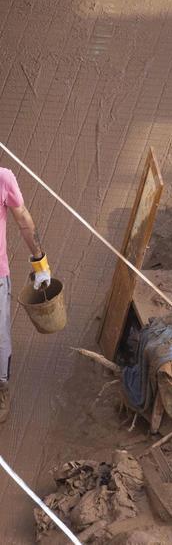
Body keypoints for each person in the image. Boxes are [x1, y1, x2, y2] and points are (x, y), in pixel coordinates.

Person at [0, 166, 52, 424]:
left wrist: (40, 264)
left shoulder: (3, 178)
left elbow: (23, 221)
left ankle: (1, 388)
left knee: (0, 338)